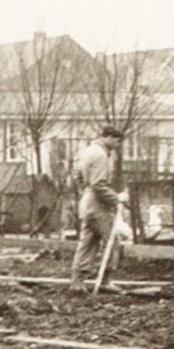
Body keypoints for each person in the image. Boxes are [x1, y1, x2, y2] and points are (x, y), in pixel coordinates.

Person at [69, 125, 124, 292]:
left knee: (87, 242)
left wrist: (85, 193)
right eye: (117, 141)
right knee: (112, 242)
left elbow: (77, 176)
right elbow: (98, 185)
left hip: (87, 202)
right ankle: (105, 281)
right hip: (99, 205)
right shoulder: (101, 155)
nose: (118, 145)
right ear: (108, 137)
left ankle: (77, 282)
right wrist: (117, 198)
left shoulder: (88, 151)